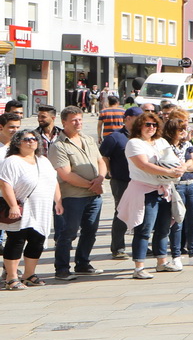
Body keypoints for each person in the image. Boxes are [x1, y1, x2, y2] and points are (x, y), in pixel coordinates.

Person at [119, 112, 182, 278]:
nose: (151, 128)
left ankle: (162, 261)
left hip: (163, 189)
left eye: (154, 125)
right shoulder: (134, 143)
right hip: (144, 190)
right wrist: (169, 171)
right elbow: (143, 165)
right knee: (144, 228)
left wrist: (180, 169)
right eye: (147, 124)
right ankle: (139, 267)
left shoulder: (160, 141)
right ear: (139, 125)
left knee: (163, 227)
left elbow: (174, 159)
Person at [49, 107, 105, 279]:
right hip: (73, 196)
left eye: (80, 119)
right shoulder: (58, 146)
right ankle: (62, 268)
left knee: (90, 231)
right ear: (64, 122)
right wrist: (92, 185)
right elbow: (66, 174)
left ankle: (83, 263)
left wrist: (100, 178)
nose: (78, 123)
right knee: (68, 232)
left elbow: (100, 160)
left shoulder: (88, 139)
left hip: (94, 196)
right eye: (74, 120)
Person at [1, 130, 61, 289]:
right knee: (16, 240)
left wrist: (58, 201)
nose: (31, 141)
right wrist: (13, 205)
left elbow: (54, 181)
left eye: (34, 139)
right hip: (22, 207)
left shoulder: (43, 160)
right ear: (17, 143)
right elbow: (5, 184)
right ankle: (11, 278)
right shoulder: (12, 161)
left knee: (37, 241)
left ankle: (29, 274)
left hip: (42, 208)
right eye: (26, 139)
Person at [162, 113, 193, 268]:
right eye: (180, 129)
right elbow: (170, 166)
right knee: (177, 220)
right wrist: (185, 164)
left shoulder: (188, 145)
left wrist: (184, 165)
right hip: (177, 186)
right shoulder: (165, 147)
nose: (183, 132)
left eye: (184, 129)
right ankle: (176, 255)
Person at [100, 116, 132, 262]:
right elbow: (103, 156)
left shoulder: (143, 135)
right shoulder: (115, 137)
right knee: (121, 213)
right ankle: (118, 247)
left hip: (142, 181)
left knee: (142, 214)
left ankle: (141, 244)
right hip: (121, 181)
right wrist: (108, 171)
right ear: (128, 119)